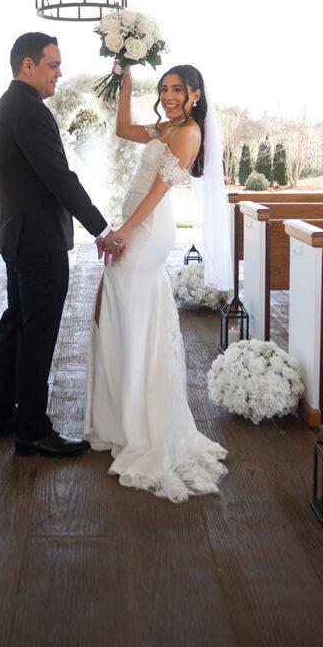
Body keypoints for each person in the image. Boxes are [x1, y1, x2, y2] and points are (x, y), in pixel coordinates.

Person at [84, 63, 231, 501]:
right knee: (123, 317)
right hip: (136, 225)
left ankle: (140, 427)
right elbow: (123, 128)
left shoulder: (188, 134)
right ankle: (120, 423)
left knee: (130, 318)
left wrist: (123, 232)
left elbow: (158, 192)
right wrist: (126, 82)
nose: (168, 96)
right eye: (164, 88)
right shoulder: (166, 128)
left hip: (146, 233)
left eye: (177, 90)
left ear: (196, 95)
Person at [0, 31, 121, 458]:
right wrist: (101, 228)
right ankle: (31, 428)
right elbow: (59, 177)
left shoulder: (10, 105)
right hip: (39, 243)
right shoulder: (28, 110)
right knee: (37, 335)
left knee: (18, 325)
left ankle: (4, 415)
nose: (60, 73)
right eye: (53, 65)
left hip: (18, 237)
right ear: (28, 65)